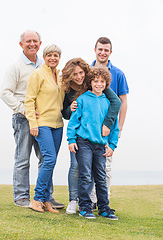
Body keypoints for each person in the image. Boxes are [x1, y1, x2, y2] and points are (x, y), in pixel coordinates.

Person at [0, 31, 64, 209]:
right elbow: (4, 93)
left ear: (40, 43)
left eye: (35, 41)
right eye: (28, 41)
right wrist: (26, 111)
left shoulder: (45, 66)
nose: (32, 44)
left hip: (43, 119)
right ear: (21, 44)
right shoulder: (16, 66)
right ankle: (21, 197)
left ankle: (46, 196)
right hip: (23, 118)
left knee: (46, 157)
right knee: (23, 158)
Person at [61, 58, 121, 214]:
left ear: (106, 83)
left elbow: (114, 126)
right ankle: (84, 207)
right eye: (95, 81)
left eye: (102, 82)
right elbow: (72, 121)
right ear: (91, 82)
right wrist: (71, 140)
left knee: (100, 177)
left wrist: (112, 145)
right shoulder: (81, 99)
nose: (99, 84)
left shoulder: (108, 102)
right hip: (84, 143)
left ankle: (104, 208)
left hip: (101, 145)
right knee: (85, 174)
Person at [25, 44, 65, 213]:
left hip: (58, 124)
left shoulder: (61, 76)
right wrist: (33, 123)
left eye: (56, 55)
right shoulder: (38, 74)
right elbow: (29, 100)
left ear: (59, 57)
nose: (52, 58)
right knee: (49, 159)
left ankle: (47, 201)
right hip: (42, 124)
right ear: (44, 56)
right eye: (49, 55)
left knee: (51, 162)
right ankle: (37, 198)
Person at [91, 37, 129, 198]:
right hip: (89, 126)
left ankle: (102, 200)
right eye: (100, 49)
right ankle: (88, 199)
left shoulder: (118, 74)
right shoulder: (87, 70)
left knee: (105, 166)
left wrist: (119, 128)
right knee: (86, 166)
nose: (102, 52)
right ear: (95, 50)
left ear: (110, 52)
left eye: (106, 50)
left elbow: (123, 102)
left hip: (108, 128)